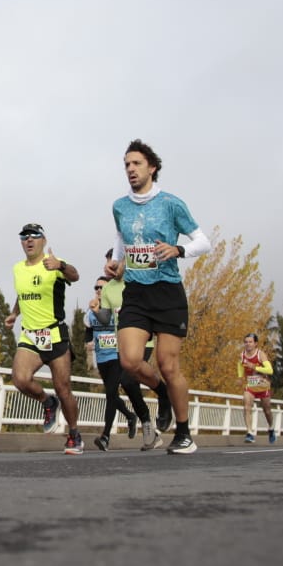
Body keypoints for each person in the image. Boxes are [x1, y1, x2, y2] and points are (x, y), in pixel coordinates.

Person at [108, 139, 212, 455]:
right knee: (129, 360)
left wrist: (178, 249)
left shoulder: (171, 204)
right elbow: (121, 239)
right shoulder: (119, 206)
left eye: (136, 163)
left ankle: (183, 433)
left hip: (167, 292)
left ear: (152, 167)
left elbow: (204, 242)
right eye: (126, 164)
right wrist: (116, 262)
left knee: (168, 364)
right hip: (136, 292)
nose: (130, 169)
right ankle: (162, 393)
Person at [5, 224, 83, 454]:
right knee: (20, 379)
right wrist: (14, 313)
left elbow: (75, 276)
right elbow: (23, 294)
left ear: (43, 240)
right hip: (30, 335)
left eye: (34, 237)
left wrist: (61, 265)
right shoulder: (18, 268)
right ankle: (47, 402)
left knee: (63, 387)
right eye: (24, 237)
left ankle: (74, 433)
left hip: (54, 333)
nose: (29, 241)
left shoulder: (53, 262)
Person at [98, 249, 170, 450]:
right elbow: (106, 318)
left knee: (128, 378)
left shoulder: (137, 281)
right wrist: (98, 310)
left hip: (144, 339)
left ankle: (164, 396)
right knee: (128, 385)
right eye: (108, 264)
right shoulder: (107, 289)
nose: (111, 268)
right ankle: (147, 422)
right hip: (122, 342)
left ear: (125, 262)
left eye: (115, 263)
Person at [85, 276, 138, 451]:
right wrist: (88, 344)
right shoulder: (90, 311)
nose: (98, 290)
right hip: (101, 359)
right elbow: (88, 332)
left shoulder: (114, 310)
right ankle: (130, 416)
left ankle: (105, 436)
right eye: (96, 287)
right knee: (112, 395)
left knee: (110, 394)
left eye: (101, 287)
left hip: (116, 356)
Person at [238, 333, 276, 444]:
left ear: (255, 343)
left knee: (267, 411)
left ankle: (271, 428)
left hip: (263, 385)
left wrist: (254, 367)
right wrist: (240, 377)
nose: (248, 344)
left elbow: (270, 370)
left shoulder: (261, 354)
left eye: (250, 342)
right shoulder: (242, 355)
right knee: (246, 406)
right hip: (250, 385)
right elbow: (240, 365)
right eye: (246, 342)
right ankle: (249, 433)